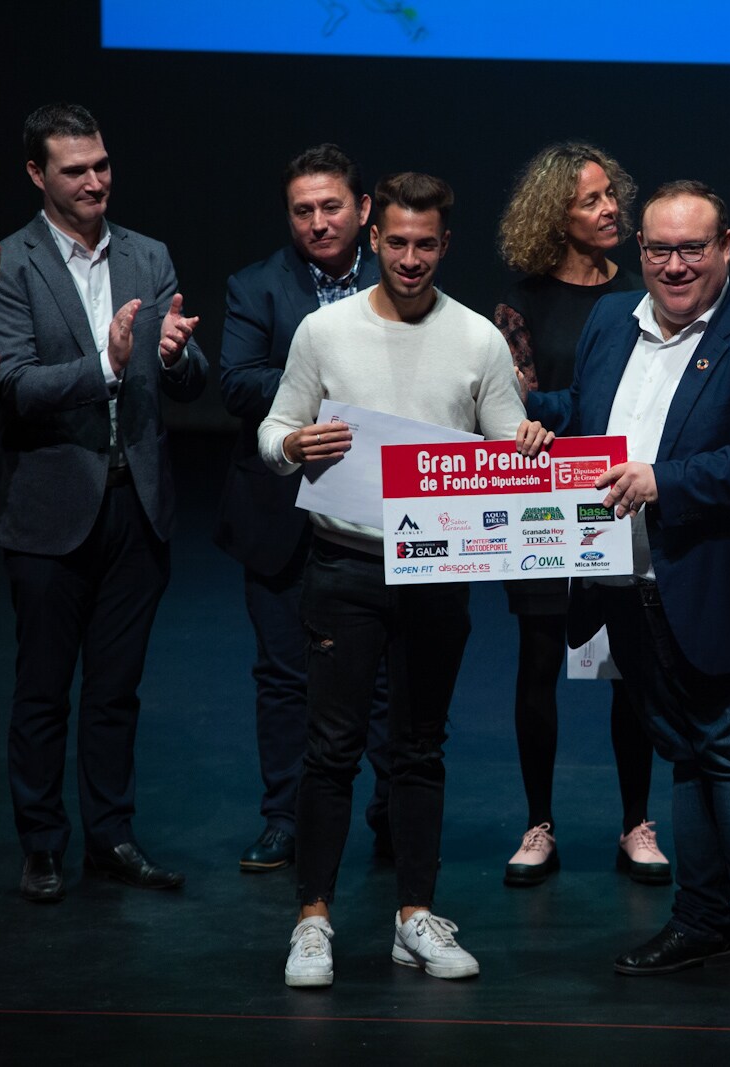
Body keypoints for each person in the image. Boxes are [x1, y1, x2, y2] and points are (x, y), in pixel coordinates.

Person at [519, 181, 730, 1005]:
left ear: (728, 245)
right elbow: (590, 413)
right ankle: (700, 922)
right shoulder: (608, 323)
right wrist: (537, 418)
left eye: (693, 247)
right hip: (635, 586)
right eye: (659, 248)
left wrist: (666, 479)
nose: (675, 264)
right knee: (690, 757)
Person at [260, 172, 525, 989]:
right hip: (344, 563)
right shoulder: (324, 329)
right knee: (332, 746)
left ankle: (414, 915)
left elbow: (508, 438)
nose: (410, 259)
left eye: (427, 245)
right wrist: (292, 448)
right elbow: (275, 428)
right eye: (398, 243)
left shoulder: (478, 338)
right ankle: (313, 920)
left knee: (417, 745)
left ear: (447, 245)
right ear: (374, 236)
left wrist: (529, 438)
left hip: (439, 569)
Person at [0, 104, 208, 904]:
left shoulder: (146, 255)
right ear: (37, 175)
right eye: (75, 169)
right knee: (44, 689)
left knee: (116, 689)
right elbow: (14, 388)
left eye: (102, 165)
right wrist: (110, 364)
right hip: (49, 512)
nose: (94, 181)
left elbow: (189, 371)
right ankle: (41, 843)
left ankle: (111, 835)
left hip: (135, 506)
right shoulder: (10, 264)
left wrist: (177, 359)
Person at [215, 144, 395, 873]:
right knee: (285, 675)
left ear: (363, 210)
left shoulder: (402, 276)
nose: (318, 222)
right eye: (303, 210)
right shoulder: (256, 286)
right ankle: (283, 819)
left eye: (331, 207)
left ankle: (390, 817)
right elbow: (236, 383)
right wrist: (327, 398)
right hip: (279, 512)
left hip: (379, 512)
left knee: (384, 679)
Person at [491, 142, 664, 887]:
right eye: (591, 199)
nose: (609, 209)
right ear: (554, 213)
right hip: (539, 502)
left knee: (632, 664)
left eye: (610, 195)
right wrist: (563, 418)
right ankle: (539, 822)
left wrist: (570, 418)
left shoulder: (642, 291)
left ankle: (635, 821)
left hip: (618, 492)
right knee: (538, 663)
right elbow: (517, 402)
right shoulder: (521, 302)